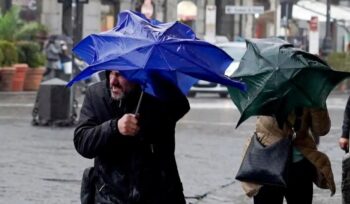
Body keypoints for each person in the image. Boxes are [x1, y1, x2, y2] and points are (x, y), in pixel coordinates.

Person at [74, 70, 189, 204]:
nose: (113, 81)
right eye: (111, 73)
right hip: (109, 196)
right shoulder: (96, 95)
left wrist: (155, 86)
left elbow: (181, 106)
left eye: (120, 75)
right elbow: (82, 141)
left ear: (138, 74)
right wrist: (114, 127)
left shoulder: (157, 93)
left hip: (157, 195)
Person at [240, 107, 336, 204]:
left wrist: (317, 105)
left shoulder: (308, 96)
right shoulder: (267, 95)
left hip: (299, 166)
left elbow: (322, 130)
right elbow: (265, 126)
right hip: (268, 165)